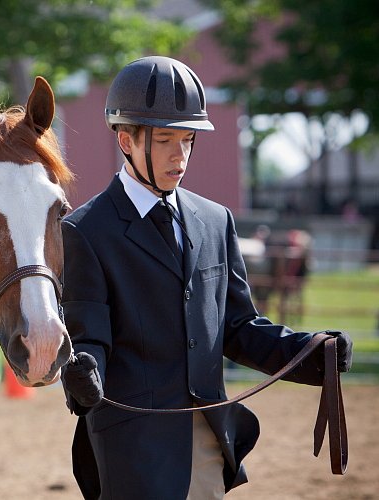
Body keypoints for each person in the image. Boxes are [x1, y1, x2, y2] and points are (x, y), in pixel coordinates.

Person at [59, 56, 353, 500]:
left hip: (210, 441)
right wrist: (82, 376)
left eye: (187, 140)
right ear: (125, 139)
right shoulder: (85, 231)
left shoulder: (216, 221)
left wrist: (311, 352)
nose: (180, 156)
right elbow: (89, 338)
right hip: (134, 447)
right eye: (164, 140)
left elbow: (236, 327)